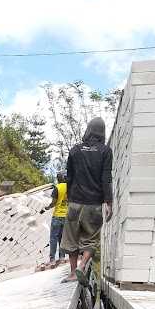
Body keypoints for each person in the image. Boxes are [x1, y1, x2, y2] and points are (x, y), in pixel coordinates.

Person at [61, 117, 113, 284]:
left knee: (71, 238)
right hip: (94, 204)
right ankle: (82, 265)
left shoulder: (75, 150)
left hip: (75, 202)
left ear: (88, 130)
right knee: (91, 238)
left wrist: (70, 198)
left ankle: (72, 273)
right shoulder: (105, 151)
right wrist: (109, 202)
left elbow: (69, 177)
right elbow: (106, 178)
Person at [48, 171, 68, 267]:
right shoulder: (70, 187)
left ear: (58, 179)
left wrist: (48, 207)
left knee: (53, 238)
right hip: (66, 216)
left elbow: (54, 202)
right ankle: (62, 257)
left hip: (57, 216)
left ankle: (52, 259)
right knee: (62, 238)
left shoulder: (57, 188)